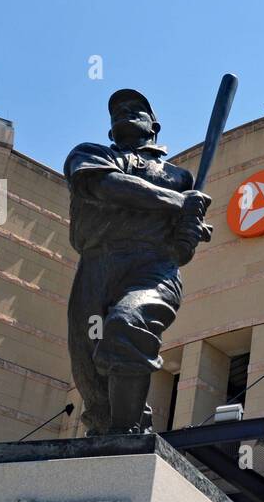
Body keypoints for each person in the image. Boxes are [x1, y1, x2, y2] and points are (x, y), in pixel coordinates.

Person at [63, 89, 213, 435]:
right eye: (117, 112)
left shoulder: (179, 178)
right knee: (90, 371)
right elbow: (106, 186)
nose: (124, 113)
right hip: (97, 266)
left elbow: (182, 253)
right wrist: (179, 204)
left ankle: (125, 436)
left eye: (136, 109)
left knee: (126, 324)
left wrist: (189, 232)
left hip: (152, 269)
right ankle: (111, 429)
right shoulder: (91, 155)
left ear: (154, 126)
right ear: (110, 131)